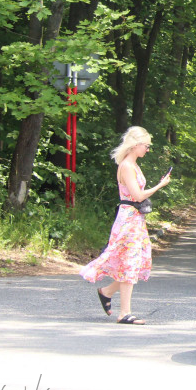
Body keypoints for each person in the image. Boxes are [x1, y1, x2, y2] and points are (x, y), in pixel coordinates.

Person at [81, 126, 171, 325]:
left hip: (136, 218)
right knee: (128, 262)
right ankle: (125, 313)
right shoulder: (126, 166)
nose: (147, 150)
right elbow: (137, 196)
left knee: (133, 262)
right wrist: (160, 186)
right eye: (146, 146)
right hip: (128, 218)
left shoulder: (135, 165)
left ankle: (107, 292)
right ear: (135, 144)